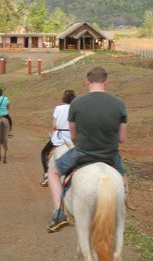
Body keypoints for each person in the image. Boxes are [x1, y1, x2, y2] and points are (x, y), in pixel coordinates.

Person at [46, 66, 128, 233]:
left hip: (83, 152)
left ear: (87, 82)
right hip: (111, 155)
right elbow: (122, 139)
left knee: (53, 173)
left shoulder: (77, 103)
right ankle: (119, 214)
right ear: (106, 82)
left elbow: (74, 137)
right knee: (124, 183)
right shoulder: (119, 104)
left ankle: (59, 212)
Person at [39, 90, 76, 187]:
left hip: (60, 138)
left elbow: (54, 126)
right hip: (73, 137)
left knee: (44, 152)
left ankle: (46, 174)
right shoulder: (76, 108)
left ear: (63, 98)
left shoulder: (58, 108)